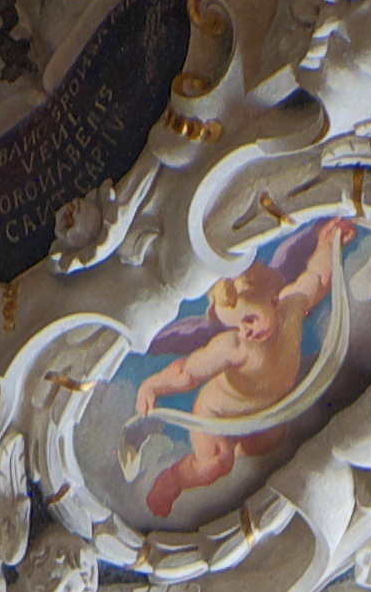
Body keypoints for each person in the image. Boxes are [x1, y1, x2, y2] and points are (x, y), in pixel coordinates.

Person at [118, 223, 354, 522]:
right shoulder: (234, 345)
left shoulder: (292, 306)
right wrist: (152, 386)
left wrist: (328, 241)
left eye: (249, 319)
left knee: (269, 443)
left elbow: (318, 278)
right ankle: (174, 479)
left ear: (273, 298)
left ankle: (245, 447)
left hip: (267, 409)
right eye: (237, 324)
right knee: (216, 463)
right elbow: (187, 373)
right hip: (216, 415)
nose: (246, 330)